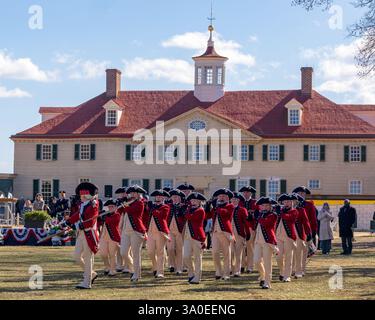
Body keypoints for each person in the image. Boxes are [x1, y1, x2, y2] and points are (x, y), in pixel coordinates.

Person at [61, 182, 100, 289]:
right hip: (81, 234)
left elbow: (90, 222)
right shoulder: (83, 204)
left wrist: (77, 226)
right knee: (77, 256)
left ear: (87, 196)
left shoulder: (93, 205)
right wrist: (68, 222)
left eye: (82, 196)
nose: (80, 198)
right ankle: (91, 274)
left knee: (88, 258)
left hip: (89, 233)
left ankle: (87, 283)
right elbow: (78, 215)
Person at [118, 185, 147, 282]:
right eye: (132, 193)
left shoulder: (140, 203)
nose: (133, 194)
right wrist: (122, 202)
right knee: (123, 252)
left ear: (139, 194)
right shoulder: (129, 202)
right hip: (126, 231)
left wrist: (124, 204)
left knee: (136, 254)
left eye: (135, 193)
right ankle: (132, 269)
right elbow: (120, 210)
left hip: (136, 231)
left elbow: (130, 210)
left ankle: (137, 274)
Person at [206, 188, 235, 281]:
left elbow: (224, 213)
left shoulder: (230, 206)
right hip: (215, 232)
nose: (221, 197)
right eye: (220, 196)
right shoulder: (216, 206)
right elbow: (208, 216)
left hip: (225, 232)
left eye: (224, 196)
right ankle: (218, 271)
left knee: (226, 253)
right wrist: (207, 206)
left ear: (227, 198)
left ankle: (226, 273)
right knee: (215, 252)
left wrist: (216, 206)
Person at [252, 197, 279, 289]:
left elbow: (267, 224)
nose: (265, 207)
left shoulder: (273, 215)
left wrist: (258, 217)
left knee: (267, 262)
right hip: (258, 241)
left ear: (270, 206)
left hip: (268, 242)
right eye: (263, 205)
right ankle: (263, 276)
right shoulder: (260, 215)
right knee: (256, 261)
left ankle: (267, 282)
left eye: (267, 205)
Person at [146, 189, 170, 278]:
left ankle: (160, 272)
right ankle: (155, 266)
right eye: (157, 196)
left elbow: (160, 215)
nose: (158, 198)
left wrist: (153, 208)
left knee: (160, 252)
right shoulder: (153, 206)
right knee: (150, 251)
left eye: (160, 196)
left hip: (160, 232)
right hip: (150, 232)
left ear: (163, 198)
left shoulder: (165, 207)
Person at [183, 192, 207, 284]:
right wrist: (188, 208)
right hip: (187, 237)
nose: (194, 202)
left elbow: (189, 217)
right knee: (186, 256)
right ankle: (191, 273)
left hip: (197, 237)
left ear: (200, 201)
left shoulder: (200, 210)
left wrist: (188, 208)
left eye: (196, 200)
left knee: (198, 258)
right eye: (192, 200)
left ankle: (197, 278)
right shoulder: (190, 209)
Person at [276, 194, 298, 282]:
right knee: (278, 257)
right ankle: (282, 272)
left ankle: (287, 276)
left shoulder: (294, 211)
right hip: (278, 236)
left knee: (289, 257)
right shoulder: (280, 211)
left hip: (289, 237)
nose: (286, 203)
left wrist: (280, 212)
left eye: (288, 201)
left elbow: (289, 218)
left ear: (292, 202)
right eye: (285, 202)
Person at [167, 189, 187, 275]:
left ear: (180, 198)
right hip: (169, 229)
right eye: (173, 197)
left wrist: (180, 208)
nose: (175, 198)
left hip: (180, 229)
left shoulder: (183, 206)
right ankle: (172, 265)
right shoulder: (168, 206)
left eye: (177, 197)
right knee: (170, 249)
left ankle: (179, 268)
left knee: (179, 249)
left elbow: (185, 216)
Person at [99, 199, 121, 276]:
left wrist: (104, 216)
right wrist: (99, 215)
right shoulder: (106, 214)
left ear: (115, 207)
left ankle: (112, 270)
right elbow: (99, 222)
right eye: (109, 207)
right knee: (103, 253)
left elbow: (111, 221)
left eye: (112, 206)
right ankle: (107, 267)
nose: (110, 208)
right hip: (104, 236)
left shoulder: (117, 215)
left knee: (112, 254)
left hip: (113, 237)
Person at [230, 192, 250, 277]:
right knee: (230, 252)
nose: (234, 201)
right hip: (229, 233)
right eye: (233, 199)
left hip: (239, 233)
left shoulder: (242, 210)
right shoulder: (228, 208)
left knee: (238, 253)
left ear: (239, 201)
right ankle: (230, 269)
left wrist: (247, 233)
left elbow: (246, 223)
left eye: (236, 199)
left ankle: (237, 271)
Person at [292, 194, 312, 278]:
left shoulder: (301, 210)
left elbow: (306, 222)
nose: (292, 202)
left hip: (299, 233)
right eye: (291, 200)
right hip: (289, 234)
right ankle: (292, 270)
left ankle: (299, 271)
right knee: (291, 253)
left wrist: (309, 233)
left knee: (299, 253)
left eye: (294, 200)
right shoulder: (285, 210)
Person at [239, 186, 257, 273]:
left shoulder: (255, 202)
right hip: (241, 227)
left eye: (248, 192)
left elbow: (258, 215)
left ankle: (250, 266)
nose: (246, 194)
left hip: (251, 227)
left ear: (251, 193)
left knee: (250, 247)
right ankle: (242, 265)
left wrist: (252, 216)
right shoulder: (240, 202)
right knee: (241, 246)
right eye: (244, 192)